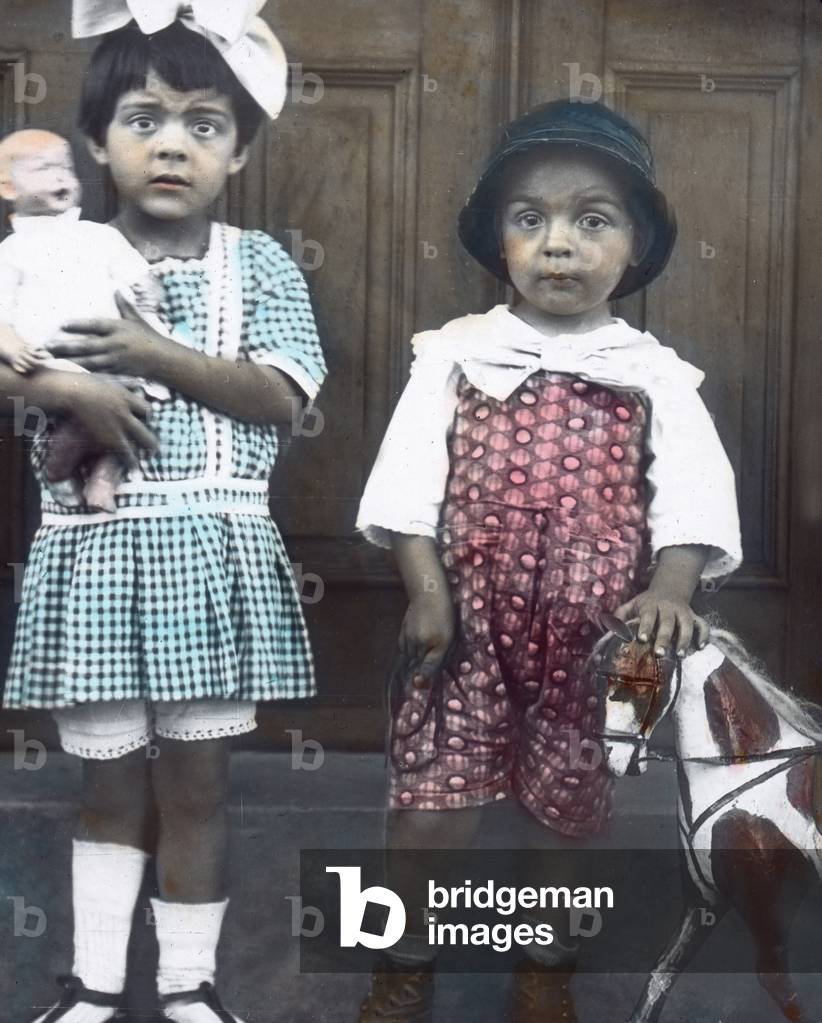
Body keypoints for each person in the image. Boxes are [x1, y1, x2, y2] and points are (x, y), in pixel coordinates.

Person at [355, 100, 742, 1022]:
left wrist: (672, 585)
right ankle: (400, 963)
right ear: (499, 239)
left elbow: (690, 494)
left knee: (568, 807)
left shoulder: (655, 374)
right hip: (468, 618)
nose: (558, 245)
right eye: (531, 220)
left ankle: (545, 968)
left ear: (637, 245)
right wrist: (425, 590)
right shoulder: (455, 355)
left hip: (601, 633)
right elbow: (408, 479)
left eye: (591, 220)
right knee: (431, 803)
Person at [0, 4, 326, 1021]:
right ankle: (94, 984)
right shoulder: (55, 253)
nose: (173, 143)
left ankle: (190, 986)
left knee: (197, 784)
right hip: (95, 556)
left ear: (235, 152)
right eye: (144, 119)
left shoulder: (259, 263)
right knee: (106, 787)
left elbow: (282, 395)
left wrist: (144, 356)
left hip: (211, 557)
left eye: (204, 123)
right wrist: (62, 390)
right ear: (97, 140)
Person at [0, 127, 172, 511]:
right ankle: (60, 470)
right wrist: (11, 347)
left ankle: (103, 479)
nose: (61, 176)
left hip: (111, 353)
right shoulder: (11, 252)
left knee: (140, 408)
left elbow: (137, 274)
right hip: (58, 361)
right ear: (8, 188)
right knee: (81, 420)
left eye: (65, 167)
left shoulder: (98, 236)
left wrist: (149, 289)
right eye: (43, 169)